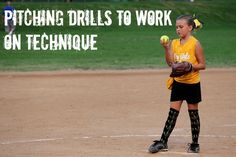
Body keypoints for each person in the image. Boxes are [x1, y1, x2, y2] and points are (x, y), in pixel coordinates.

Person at [148, 15, 206, 153]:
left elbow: (203, 65)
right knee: (172, 114)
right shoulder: (174, 43)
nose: (178, 30)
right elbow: (170, 63)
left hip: (192, 84)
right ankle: (163, 141)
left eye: (181, 27)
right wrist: (167, 49)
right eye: (176, 27)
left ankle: (195, 144)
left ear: (190, 27)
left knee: (193, 114)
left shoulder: (195, 44)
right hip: (178, 83)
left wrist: (191, 67)